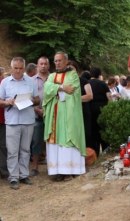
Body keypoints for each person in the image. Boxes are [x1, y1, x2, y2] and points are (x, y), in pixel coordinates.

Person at [0, 57, 40, 190]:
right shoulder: (5, 82)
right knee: (12, 151)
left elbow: (37, 99)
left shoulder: (30, 81)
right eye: (16, 68)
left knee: (26, 150)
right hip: (12, 121)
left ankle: (24, 175)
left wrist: (29, 101)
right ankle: (13, 177)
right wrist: (8, 102)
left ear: (24, 68)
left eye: (21, 68)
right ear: (11, 68)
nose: (18, 71)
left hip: (28, 119)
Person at [43, 51, 86, 179]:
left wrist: (55, 89)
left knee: (68, 138)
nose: (57, 63)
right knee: (55, 141)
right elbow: (47, 89)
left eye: (60, 60)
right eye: (55, 61)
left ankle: (70, 170)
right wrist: (61, 87)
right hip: (54, 115)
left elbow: (72, 90)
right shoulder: (51, 76)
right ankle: (57, 171)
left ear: (66, 61)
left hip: (68, 114)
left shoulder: (72, 75)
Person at [30, 57, 50, 176]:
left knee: (51, 141)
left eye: (45, 64)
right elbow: (29, 98)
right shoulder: (31, 80)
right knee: (36, 141)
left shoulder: (53, 79)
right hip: (36, 115)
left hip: (51, 114)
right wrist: (36, 109)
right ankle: (35, 166)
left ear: (48, 65)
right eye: (41, 64)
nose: (43, 66)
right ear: (37, 66)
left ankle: (51, 165)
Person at [67, 60, 93, 149]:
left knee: (85, 134)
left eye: (72, 68)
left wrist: (74, 99)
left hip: (83, 111)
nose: (70, 70)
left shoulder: (84, 81)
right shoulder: (64, 83)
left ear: (76, 70)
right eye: (68, 69)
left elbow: (89, 96)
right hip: (69, 113)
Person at [88, 67, 110, 154]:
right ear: (99, 74)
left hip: (90, 110)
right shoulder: (102, 84)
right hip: (102, 110)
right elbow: (109, 96)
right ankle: (105, 151)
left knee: (93, 133)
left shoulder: (87, 83)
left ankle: (94, 153)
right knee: (103, 131)